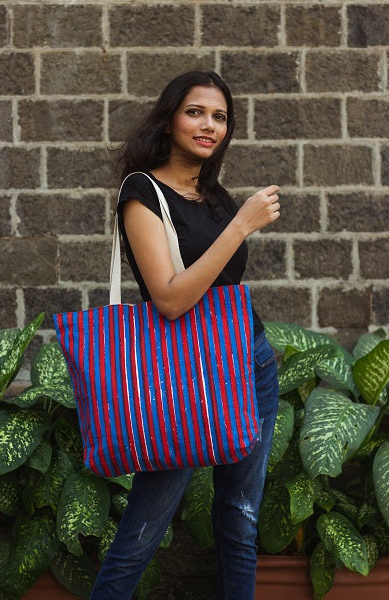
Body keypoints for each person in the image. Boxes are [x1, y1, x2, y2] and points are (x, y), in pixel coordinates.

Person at [91, 70, 280, 600]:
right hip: (181, 380)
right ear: (171, 116)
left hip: (250, 366)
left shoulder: (214, 195)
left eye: (220, 117)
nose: (209, 125)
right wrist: (240, 227)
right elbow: (170, 299)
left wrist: (233, 218)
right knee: (144, 532)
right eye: (196, 111)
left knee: (240, 523)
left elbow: (221, 284)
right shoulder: (142, 192)